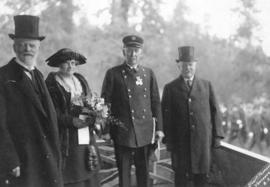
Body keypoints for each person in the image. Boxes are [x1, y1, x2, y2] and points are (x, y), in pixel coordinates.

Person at [0, 15, 63, 187]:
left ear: (38, 48)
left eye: (32, 45)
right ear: (14, 47)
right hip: (21, 159)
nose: (27, 49)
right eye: (22, 44)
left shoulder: (39, 75)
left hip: (45, 155)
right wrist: (10, 159)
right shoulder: (3, 76)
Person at [101, 35, 164, 187]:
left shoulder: (148, 73)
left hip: (144, 132)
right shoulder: (113, 73)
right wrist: (106, 130)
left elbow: (155, 102)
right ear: (124, 51)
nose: (133, 54)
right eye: (130, 50)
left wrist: (160, 129)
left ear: (141, 52)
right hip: (122, 132)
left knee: (144, 174)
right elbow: (105, 103)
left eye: (136, 50)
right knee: (124, 176)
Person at [162, 46, 224, 187]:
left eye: (190, 65)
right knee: (181, 180)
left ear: (195, 65)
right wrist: (169, 142)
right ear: (179, 66)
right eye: (184, 65)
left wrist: (217, 137)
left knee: (201, 180)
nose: (187, 68)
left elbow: (215, 112)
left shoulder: (206, 86)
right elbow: (166, 118)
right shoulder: (170, 88)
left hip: (202, 144)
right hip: (180, 145)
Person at [45, 48, 101, 187]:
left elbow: (89, 102)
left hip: (85, 134)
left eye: (74, 63)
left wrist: (94, 115)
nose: (71, 66)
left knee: (89, 166)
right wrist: (71, 121)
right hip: (67, 137)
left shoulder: (80, 80)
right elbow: (52, 113)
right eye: (67, 63)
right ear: (59, 64)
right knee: (73, 174)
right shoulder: (52, 83)